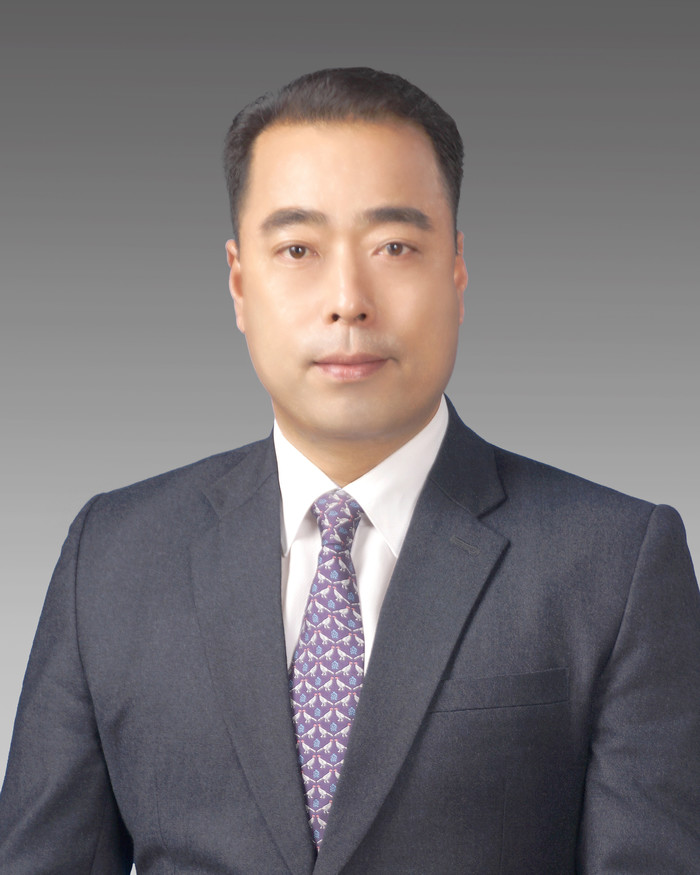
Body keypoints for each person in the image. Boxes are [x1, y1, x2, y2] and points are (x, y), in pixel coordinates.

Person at [0, 67, 698, 875]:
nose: (347, 300)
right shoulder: (113, 556)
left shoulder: (614, 562)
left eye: (394, 246)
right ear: (239, 281)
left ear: (457, 269)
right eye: (297, 249)